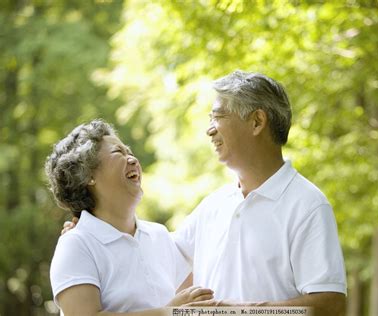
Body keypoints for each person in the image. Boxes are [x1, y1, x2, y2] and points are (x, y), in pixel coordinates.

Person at [63, 71, 347, 315]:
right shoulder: (214, 205)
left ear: (257, 122)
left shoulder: (307, 205)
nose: (209, 130)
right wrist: (91, 230)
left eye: (218, 117)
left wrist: (240, 312)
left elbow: (329, 304)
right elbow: (150, 256)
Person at [46, 119, 213, 315]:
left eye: (129, 152)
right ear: (88, 175)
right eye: (118, 152)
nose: (132, 159)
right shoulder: (76, 244)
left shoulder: (159, 235)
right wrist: (167, 312)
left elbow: (196, 303)